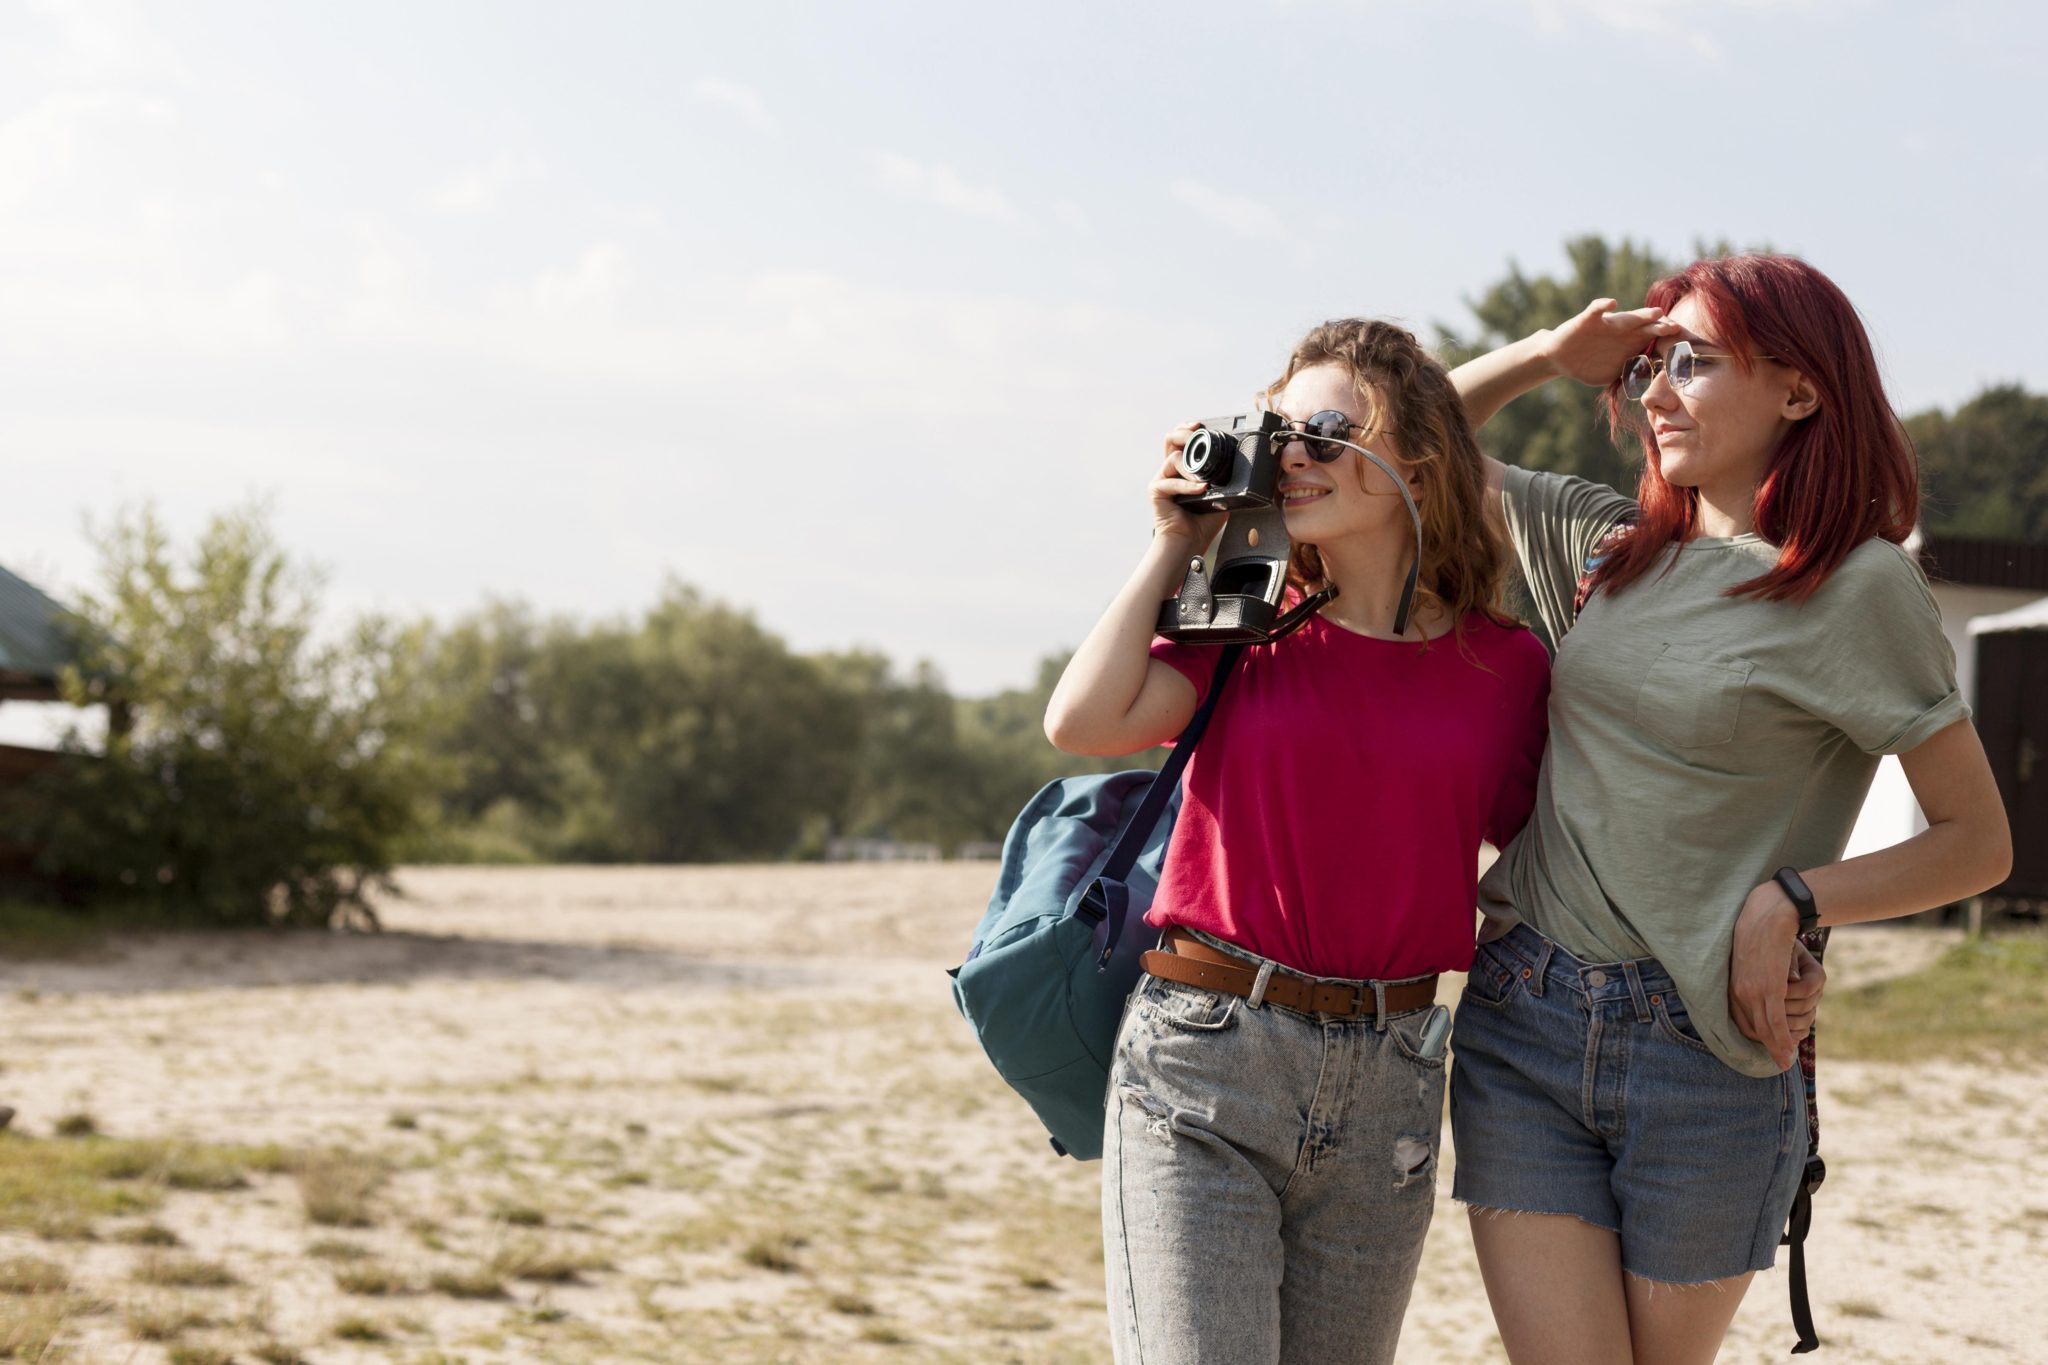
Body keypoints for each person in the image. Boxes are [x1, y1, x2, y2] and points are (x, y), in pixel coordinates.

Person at [1444, 255, 2014, 1365]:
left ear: (1799, 391)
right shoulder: (1603, 549)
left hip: (1702, 1054)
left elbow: (1976, 843)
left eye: (1692, 363)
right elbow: (1412, 438)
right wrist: (1547, 357)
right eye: (1649, 364)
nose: (1652, 391)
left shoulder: (1857, 587)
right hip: (1524, 1016)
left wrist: (1791, 898)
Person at [1044, 317, 1552, 1365]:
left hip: (1390, 1087)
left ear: (1411, 459)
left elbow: (1552, 856)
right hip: (1204, 1061)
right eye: (1277, 434)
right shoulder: (1245, 621)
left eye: (1324, 430)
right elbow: (1081, 722)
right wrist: (1174, 539)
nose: (1292, 455)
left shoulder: (1504, 668)